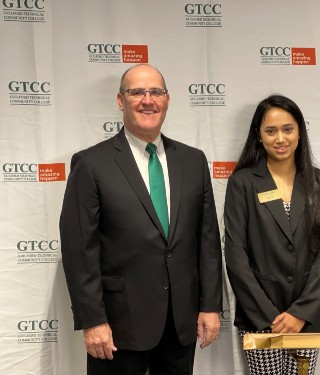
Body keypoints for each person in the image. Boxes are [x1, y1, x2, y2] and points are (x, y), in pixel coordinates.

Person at [60, 64, 223, 375]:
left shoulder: (193, 160)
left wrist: (210, 305)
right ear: (121, 101)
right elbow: (79, 249)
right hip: (118, 326)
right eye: (137, 92)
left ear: (167, 99)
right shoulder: (91, 163)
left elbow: (208, 240)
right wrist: (93, 320)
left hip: (181, 322)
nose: (148, 100)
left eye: (156, 92)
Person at [224, 94, 320, 374]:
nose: (280, 138)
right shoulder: (243, 183)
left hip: (307, 316)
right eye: (271, 130)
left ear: (300, 131)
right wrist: (268, 315)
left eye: (288, 129)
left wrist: (301, 312)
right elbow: (236, 254)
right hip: (260, 317)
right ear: (258, 135)